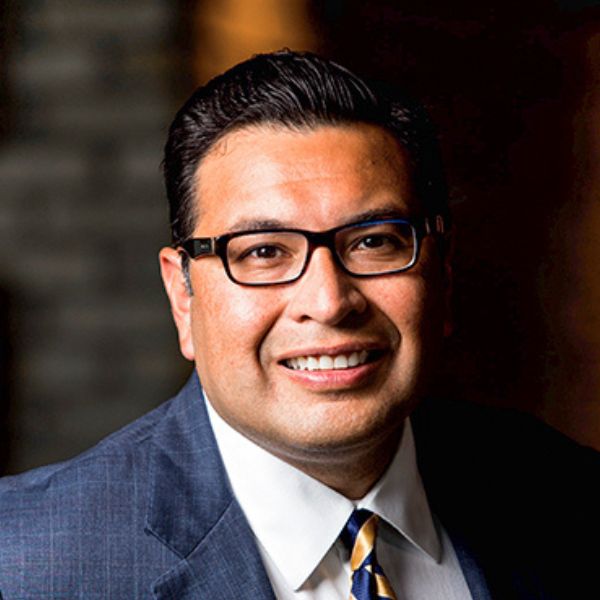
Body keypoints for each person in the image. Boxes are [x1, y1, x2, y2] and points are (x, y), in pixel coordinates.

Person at [0, 50, 597, 600]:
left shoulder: (567, 499)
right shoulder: (25, 563)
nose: (329, 301)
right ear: (183, 295)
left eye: (374, 242)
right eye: (263, 252)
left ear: (442, 273)